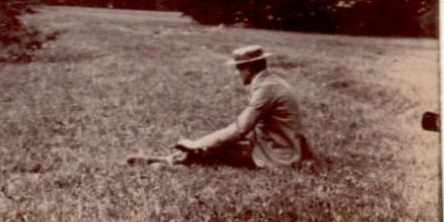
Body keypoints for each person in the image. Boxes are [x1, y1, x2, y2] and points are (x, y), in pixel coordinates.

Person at [128, 45, 313, 169]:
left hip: (278, 154)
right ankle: (171, 161)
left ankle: (170, 164)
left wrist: (198, 144)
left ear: (249, 68)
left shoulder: (267, 89)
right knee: (221, 148)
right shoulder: (271, 82)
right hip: (273, 144)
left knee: (216, 152)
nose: (237, 74)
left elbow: (240, 128)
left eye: (238, 68)